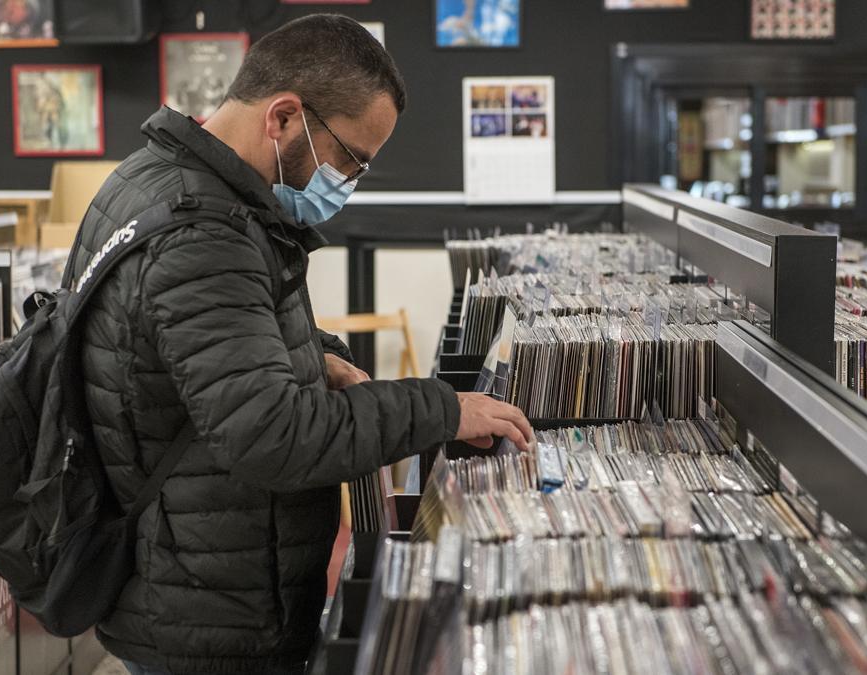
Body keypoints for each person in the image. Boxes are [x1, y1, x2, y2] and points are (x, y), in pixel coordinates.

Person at [64, 15, 532, 675]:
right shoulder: (204, 232)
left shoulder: (151, 181)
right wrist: (442, 409)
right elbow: (273, 435)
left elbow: (191, 341)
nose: (350, 181)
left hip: (197, 587)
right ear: (283, 117)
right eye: (352, 159)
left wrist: (315, 352)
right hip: (209, 620)